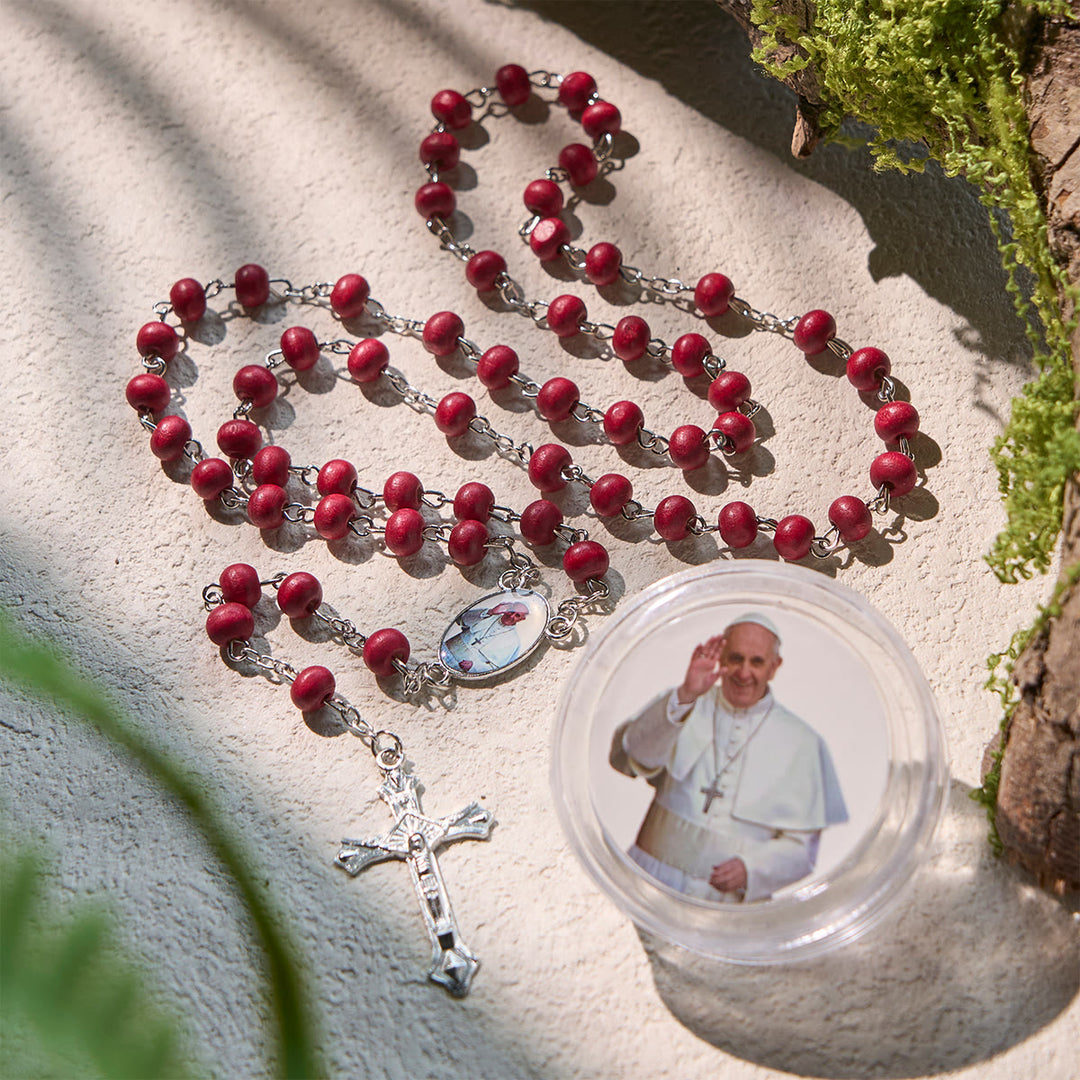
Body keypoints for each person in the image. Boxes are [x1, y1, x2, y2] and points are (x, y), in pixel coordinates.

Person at [610, 613, 847, 903]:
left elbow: (802, 850)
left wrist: (751, 868)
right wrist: (687, 693)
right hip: (647, 880)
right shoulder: (685, 703)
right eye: (735, 659)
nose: (744, 673)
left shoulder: (802, 742)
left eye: (756, 662)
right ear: (721, 657)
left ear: (774, 667)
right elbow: (633, 756)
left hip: (729, 904)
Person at [440, 599, 530, 675]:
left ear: (522, 619)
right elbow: (461, 619)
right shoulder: (488, 614)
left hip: (462, 669)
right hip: (445, 650)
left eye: (517, 615)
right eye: (511, 611)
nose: (511, 616)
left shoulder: (513, 641)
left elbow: (495, 668)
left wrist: (473, 666)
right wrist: (490, 612)